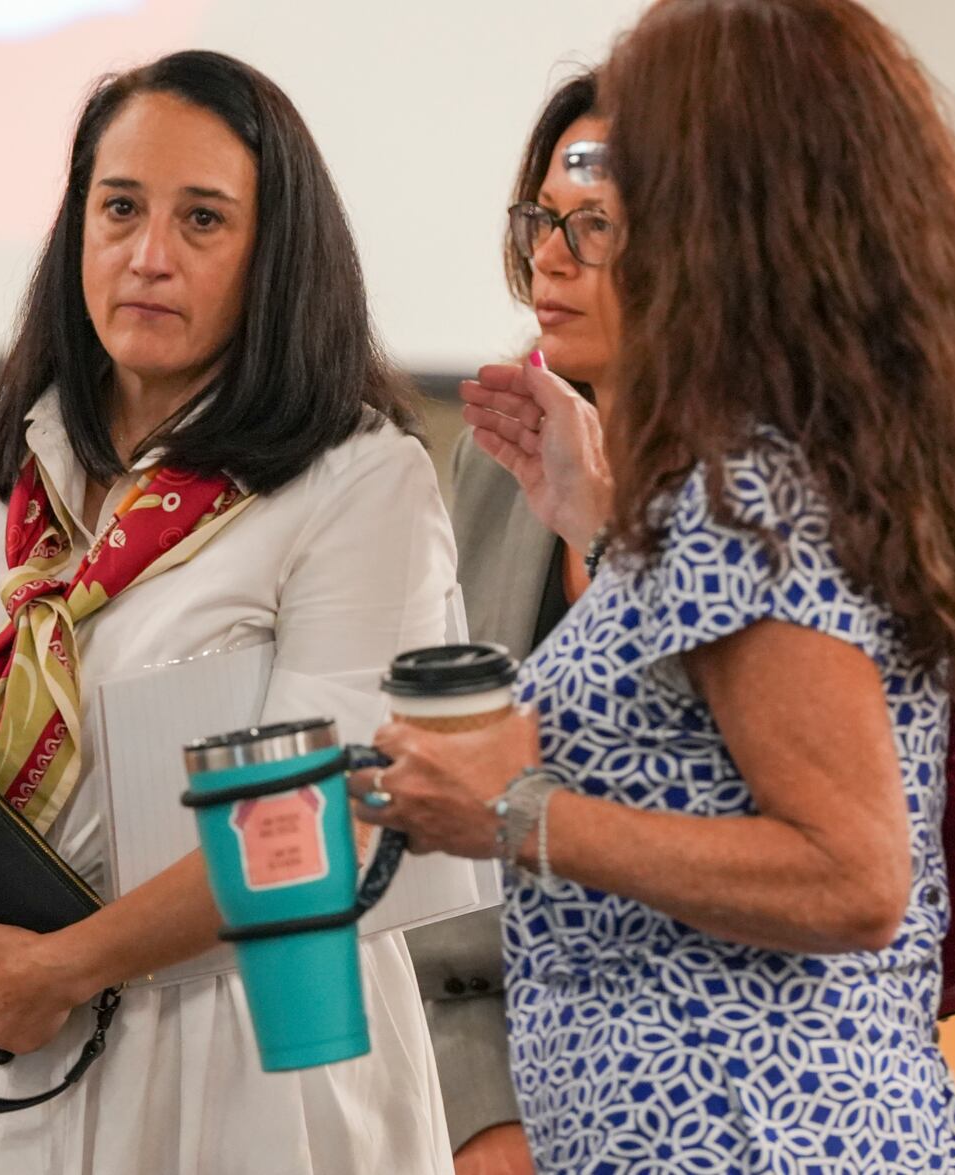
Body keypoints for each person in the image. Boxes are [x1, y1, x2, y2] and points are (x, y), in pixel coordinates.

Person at [354, 0, 955, 1169]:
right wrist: (604, 530)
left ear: (720, 209)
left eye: (621, 198)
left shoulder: (742, 481)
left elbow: (850, 874)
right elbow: (713, 743)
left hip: (746, 1135)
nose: (561, 252)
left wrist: (513, 812)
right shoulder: (767, 466)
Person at [0, 49, 459, 1175]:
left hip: (236, 1038)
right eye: (119, 208)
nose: (148, 256)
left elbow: (325, 819)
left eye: (203, 219)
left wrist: (66, 964)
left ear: (274, 254)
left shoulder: (357, 479)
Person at [404, 72, 607, 1174]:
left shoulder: (805, 484)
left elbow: (848, 881)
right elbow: (439, 869)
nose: (549, 259)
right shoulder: (500, 450)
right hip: (507, 1109)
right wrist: (481, 1113)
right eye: (540, 221)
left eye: (596, 226)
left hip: (726, 1093)